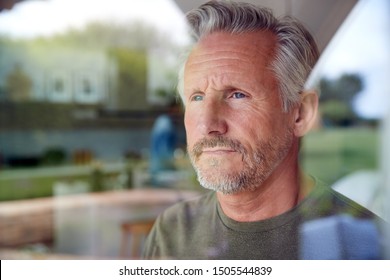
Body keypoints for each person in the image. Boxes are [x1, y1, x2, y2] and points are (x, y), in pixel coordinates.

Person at [142, 0, 384, 259]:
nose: (208, 125)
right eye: (197, 97)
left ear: (300, 113)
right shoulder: (172, 232)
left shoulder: (364, 245)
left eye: (237, 95)